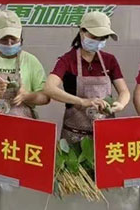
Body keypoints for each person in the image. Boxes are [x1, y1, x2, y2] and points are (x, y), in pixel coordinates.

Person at [44, 12, 130, 143]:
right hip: (74, 134)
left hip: (105, 133)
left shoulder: (109, 60)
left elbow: (124, 91)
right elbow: (49, 88)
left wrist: (120, 104)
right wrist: (82, 101)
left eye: (103, 38)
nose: (99, 42)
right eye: (95, 37)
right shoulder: (67, 60)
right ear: (82, 32)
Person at [0, 11, 49, 118]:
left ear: (21, 37)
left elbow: (45, 97)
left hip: (22, 123)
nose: (9, 43)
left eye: (14, 39)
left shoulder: (31, 61)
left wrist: (27, 96)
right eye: (4, 39)